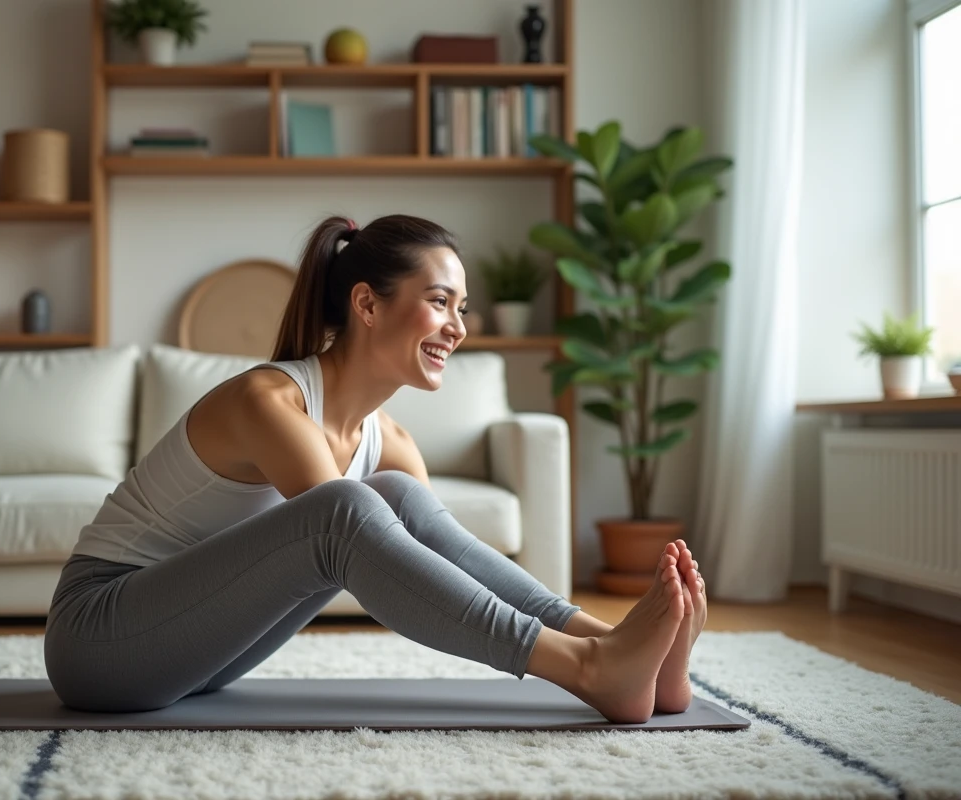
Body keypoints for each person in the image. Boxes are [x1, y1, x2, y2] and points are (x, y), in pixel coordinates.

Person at [43, 213, 708, 723]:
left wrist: (621, 634)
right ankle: (590, 669)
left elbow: (435, 568)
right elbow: (343, 534)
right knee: (349, 510)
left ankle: (612, 646)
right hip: (100, 639)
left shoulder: (386, 440)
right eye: (440, 301)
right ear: (367, 305)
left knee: (391, 494)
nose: (458, 327)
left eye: (462, 308)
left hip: (194, 653)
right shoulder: (267, 401)